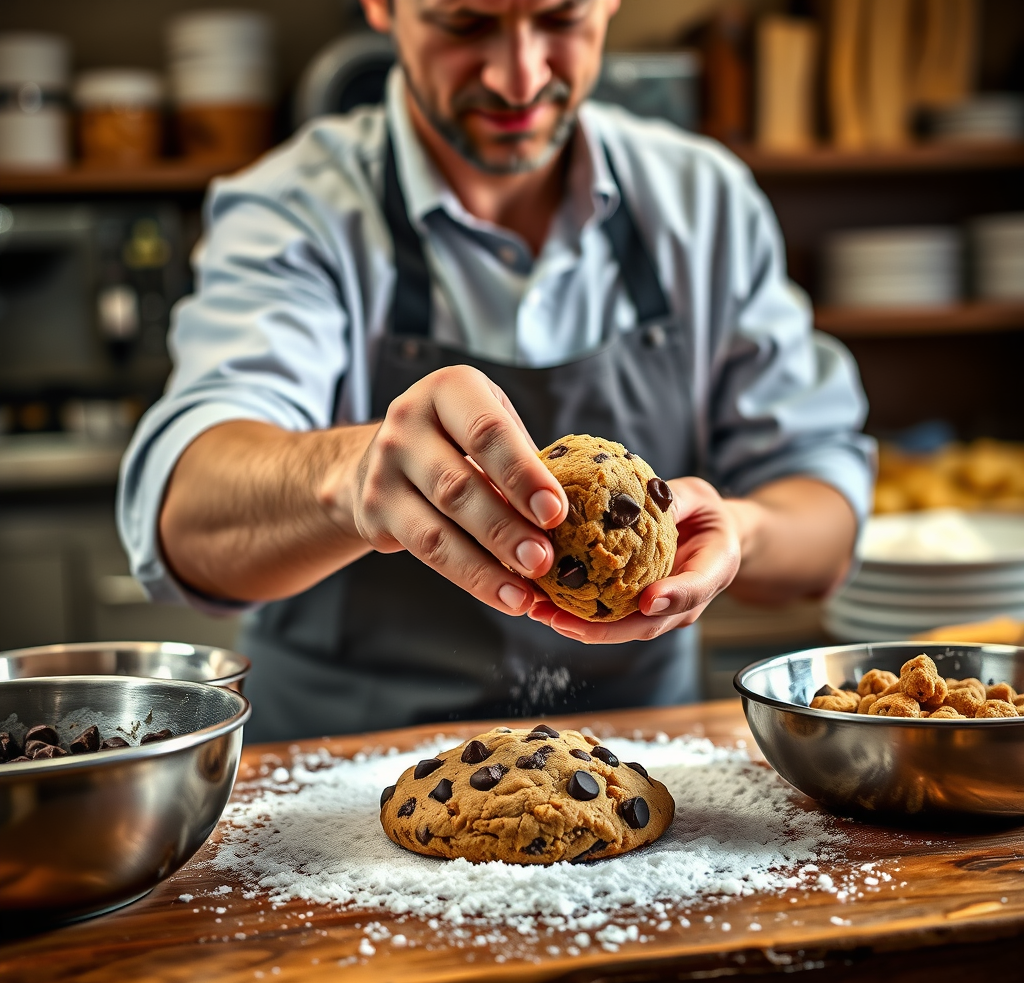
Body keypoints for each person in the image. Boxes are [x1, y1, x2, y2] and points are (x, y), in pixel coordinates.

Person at [118, 0, 874, 742]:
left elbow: (825, 522)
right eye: (465, 23)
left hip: (640, 768)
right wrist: (354, 477)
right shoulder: (294, 208)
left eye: (560, 19)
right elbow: (186, 519)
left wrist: (739, 528)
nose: (520, 76)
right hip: (335, 789)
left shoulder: (702, 203)